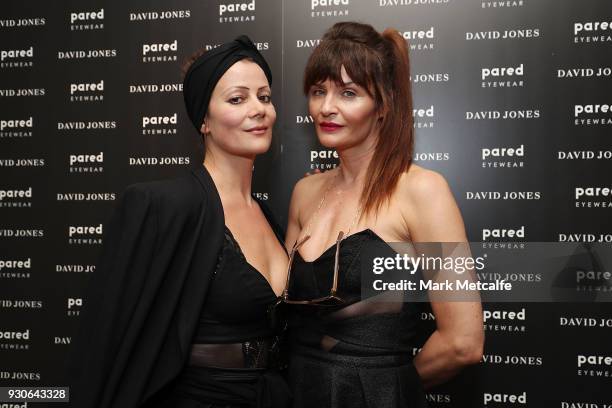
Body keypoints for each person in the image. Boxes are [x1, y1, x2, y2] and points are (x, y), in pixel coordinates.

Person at [66, 35, 292, 408]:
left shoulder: (268, 215)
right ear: (203, 118)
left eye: (264, 97)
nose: (259, 109)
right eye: (238, 99)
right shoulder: (163, 206)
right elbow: (105, 341)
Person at [283, 22, 484, 407]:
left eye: (348, 93)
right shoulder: (304, 193)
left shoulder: (422, 191)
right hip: (296, 391)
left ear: (383, 105)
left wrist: (385, 387)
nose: (327, 107)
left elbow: (463, 342)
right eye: (318, 91)